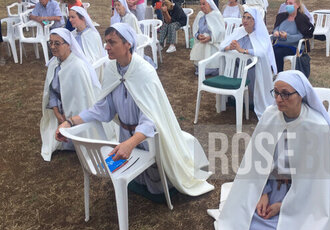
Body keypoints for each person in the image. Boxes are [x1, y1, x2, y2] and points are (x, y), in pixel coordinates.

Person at [208, 70, 330, 230]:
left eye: (285, 94)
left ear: (300, 95)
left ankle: (275, 229)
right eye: (275, 92)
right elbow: (259, 161)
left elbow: (315, 184)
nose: (278, 99)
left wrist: (281, 205)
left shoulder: (317, 127)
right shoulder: (270, 116)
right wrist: (263, 194)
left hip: (304, 194)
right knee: (237, 217)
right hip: (273, 183)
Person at [56, 23, 214, 200]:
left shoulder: (143, 71)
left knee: (160, 186)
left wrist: (130, 143)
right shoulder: (111, 69)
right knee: (129, 176)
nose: (106, 47)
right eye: (106, 42)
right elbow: (102, 109)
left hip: (149, 139)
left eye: (112, 42)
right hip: (125, 137)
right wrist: (70, 122)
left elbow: (150, 119)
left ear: (127, 44)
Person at [40, 28, 101, 161]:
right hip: (61, 113)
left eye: (57, 43)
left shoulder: (77, 66)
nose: (53, 47)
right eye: (51, 43)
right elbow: (52, 92)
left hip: (77, 115)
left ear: (68, 45)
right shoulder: (54, 64)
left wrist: (69, 119)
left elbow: (83, 101)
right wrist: (57, 113)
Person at [220, 8, 276, 119]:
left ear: (255, 21)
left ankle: (251, 102)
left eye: (249, 18)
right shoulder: (239, 31)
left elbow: (262, 51)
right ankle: (234, 99)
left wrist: (244, 51)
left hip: (253, 68)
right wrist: (229, 47)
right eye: (244, 17)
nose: (245, 20)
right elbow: (222, 45)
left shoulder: (260, 34)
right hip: (237, 67)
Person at [272, 0, 314, 72]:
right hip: (280, 44)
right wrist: (276, 33)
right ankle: (271, 73)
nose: (288, 5)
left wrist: (287, 36)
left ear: (297, 5)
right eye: (287, 3)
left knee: (277, 52)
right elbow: (276, 29)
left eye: (291, 3)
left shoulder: (301, 19)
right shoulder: (281, 17)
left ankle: (279, 74)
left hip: (294, 46)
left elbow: (301, 36)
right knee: (267, 51)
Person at [190, 0, 225, 75]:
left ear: (209, 4)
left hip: (213, 43)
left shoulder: (216, 15)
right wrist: (198, 36)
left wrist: (210, 37)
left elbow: (221, 31)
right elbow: (195, 28)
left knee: (208, 47)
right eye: (200, 4)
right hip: (202, 41)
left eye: (204, 4)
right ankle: (201, 66)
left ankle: (211, 68)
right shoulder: (200, 14)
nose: (201, 6)